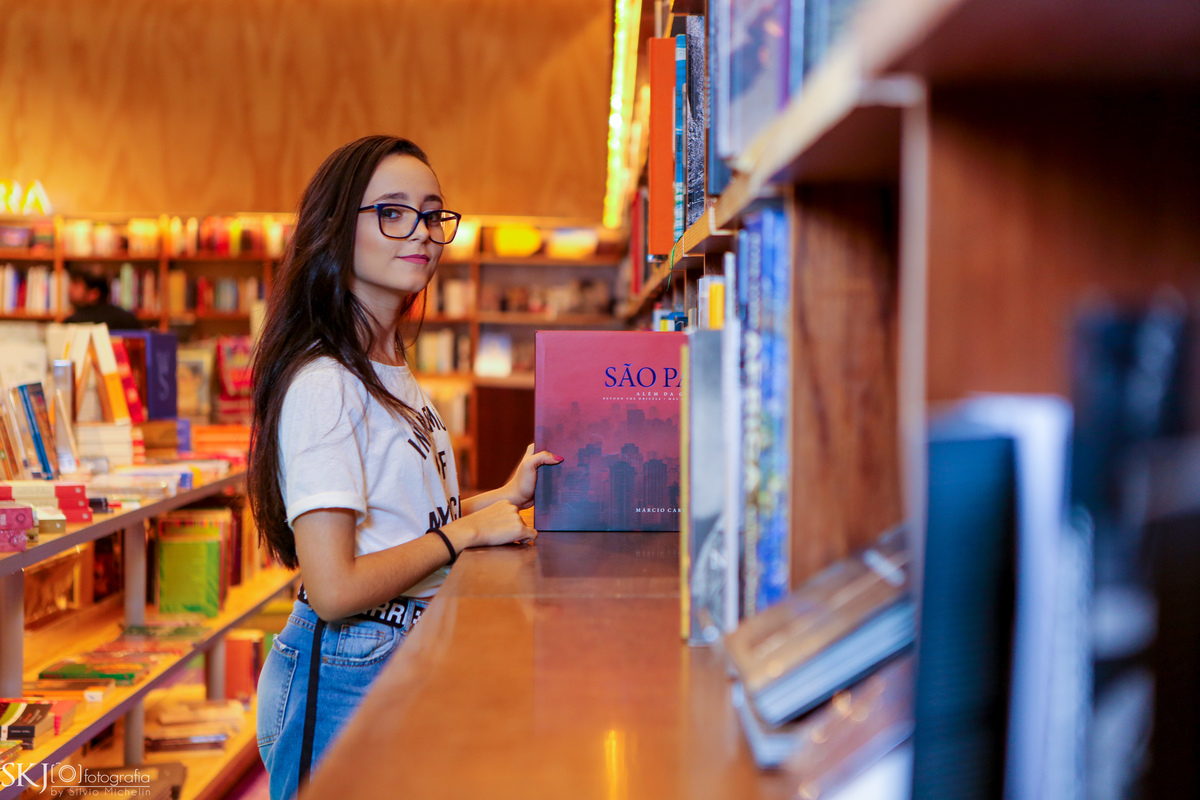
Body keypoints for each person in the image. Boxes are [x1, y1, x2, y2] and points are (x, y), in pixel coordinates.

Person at [247, 135, 561, 800]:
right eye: (392, 212)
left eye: (432, 213)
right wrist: (466, 534)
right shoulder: (326, 382)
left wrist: (502, 497)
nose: (420, 231)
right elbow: (333, 586)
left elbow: (402, 522)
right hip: (345, 666)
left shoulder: (387, 365)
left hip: (398, 649)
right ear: (337, 229)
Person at [63, 265, 143, 329]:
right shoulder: (128, 318)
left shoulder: (73, 323)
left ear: (94, 294)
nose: (70, 289)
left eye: (76, 284)